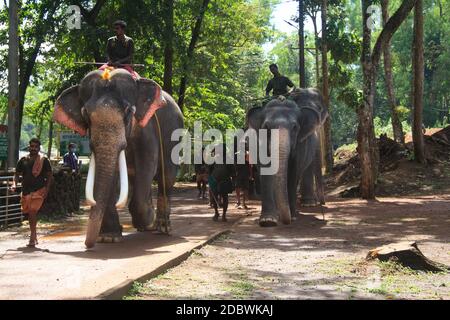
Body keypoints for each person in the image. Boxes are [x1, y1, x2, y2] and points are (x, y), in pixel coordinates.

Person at [11, 138, 53, 247]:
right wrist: (14, 184)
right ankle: (34, 235)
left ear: (39, 148)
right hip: (26, 191)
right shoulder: (23, 160)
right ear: (29, 147)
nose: (33, 148)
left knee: (33, 211)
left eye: (36, 147)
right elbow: (16, 174)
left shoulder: (44, 160)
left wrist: (47, 189)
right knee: (29, 212)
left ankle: (32, 237)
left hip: (39, 191)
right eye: (32, 146)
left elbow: (49, 176)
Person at [208, 145, 234, 222]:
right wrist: (210, 179)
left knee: (225, 197)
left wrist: (232, 177)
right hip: (215, 181)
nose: (217, 151)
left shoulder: (228, 159)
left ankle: (224, 215)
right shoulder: (213, 160)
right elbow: (209, 170)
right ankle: (216, 213)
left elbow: (232, 170)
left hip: (224, 181)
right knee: (214, 198)